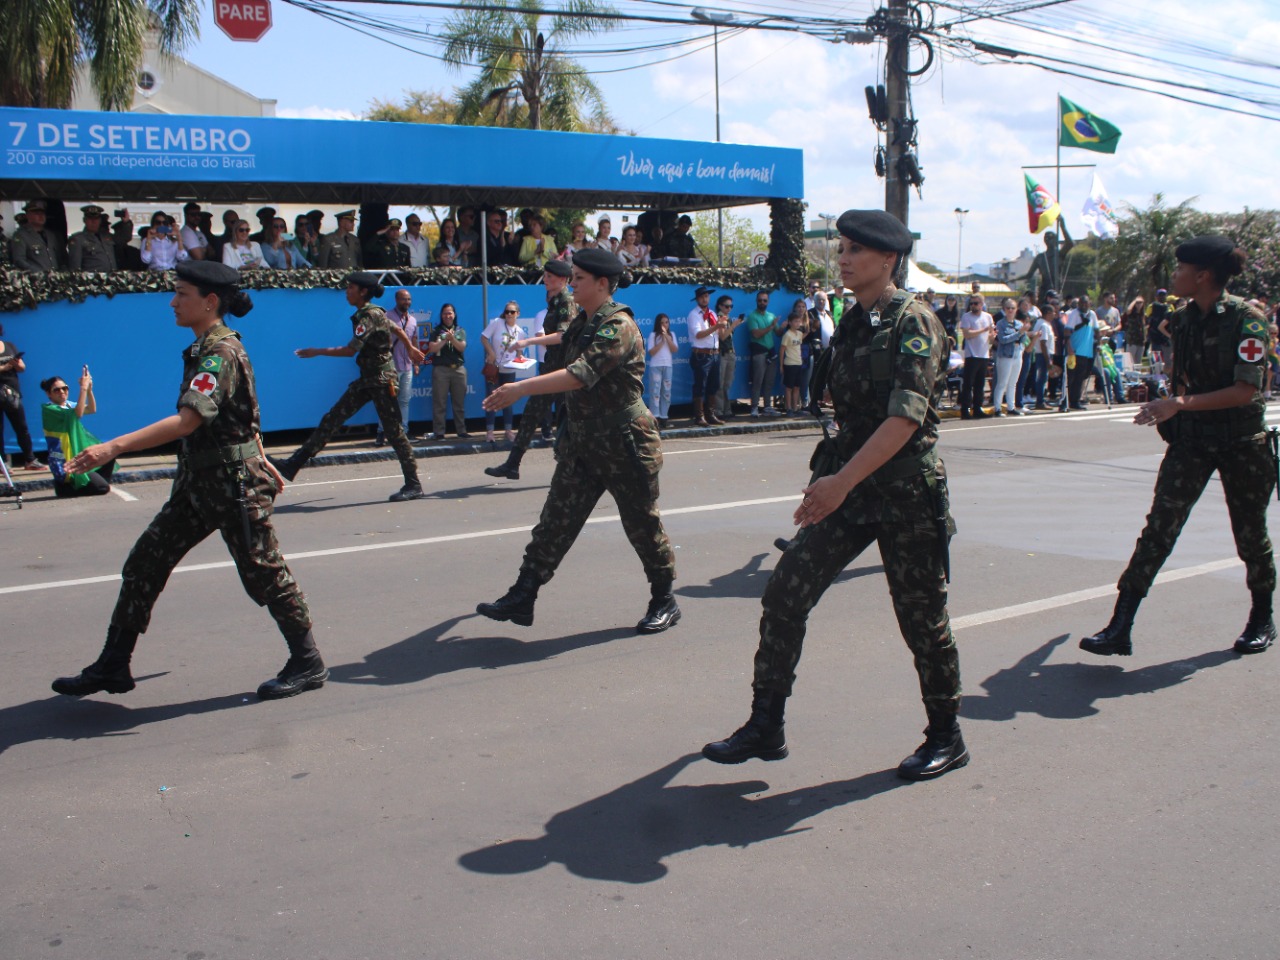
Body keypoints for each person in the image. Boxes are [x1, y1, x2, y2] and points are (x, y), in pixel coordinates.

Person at [702, 209, 967, 781]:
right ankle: (765, 724)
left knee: (922, 620)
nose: (842, 259)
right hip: (852, 487)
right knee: (784, 593)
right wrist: (836, 477)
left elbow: (905, 419)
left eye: (854, 250)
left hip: (905, 494)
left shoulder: (913, 322)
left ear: (888, 260)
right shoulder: (853, 320)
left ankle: (947, 735)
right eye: (841, 248)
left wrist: (838, 484)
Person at [49, 260, 328, 701]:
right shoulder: (205, 348)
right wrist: (259, 451)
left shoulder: (221, 352)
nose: (173, 301)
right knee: (145, 562)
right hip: (201, 483)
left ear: (210, 301)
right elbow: (241, 413)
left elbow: (188, 421)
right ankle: (113, 664)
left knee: (264, 573)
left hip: (232, 485)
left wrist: (112, 447)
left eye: (181, 294)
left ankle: (308, 661)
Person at [1081, 236, 1277, 659]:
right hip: (1193, 440)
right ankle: (1120, 625)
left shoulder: (1249, 319)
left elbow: (1246, 390)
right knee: (1159, 529)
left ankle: (1262, 617)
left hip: (1242, 442)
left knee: (1250, 533)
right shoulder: (1184, 319)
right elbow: (1182, 378)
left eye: (1180, 270)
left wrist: (1179, 404)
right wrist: (1167, 409)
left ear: (1202, 275)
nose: (1173, 277)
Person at [476, 248, 680, 634]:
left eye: (579, 278)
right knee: (555, 521)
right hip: (584, 442)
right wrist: (528, 344)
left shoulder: (617, 326)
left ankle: (664, 598)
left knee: (642, 525)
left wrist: (519, 390)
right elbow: (560, 341)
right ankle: (524, 594)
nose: (572, 283)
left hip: (623, 443)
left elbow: (579, 374)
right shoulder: (584, 321)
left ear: (602, 284)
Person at [272, 273, 427, 502]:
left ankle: (414, 485)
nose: (347, 291)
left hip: (381, 380)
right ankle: (293, 463)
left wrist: (317, 351)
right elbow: (397, 329)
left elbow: (350, 350)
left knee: (394, 432)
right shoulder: (375, 312)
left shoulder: (368, 316)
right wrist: (409, 348)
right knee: (332, 419)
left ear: (363, 291)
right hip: (369, 379)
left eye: (351, 287)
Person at [486, 261, 575, 479]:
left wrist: (528, 343)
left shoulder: (566, 301)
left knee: (568, 419)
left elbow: (563, 335)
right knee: (535, 413)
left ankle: (571, 467)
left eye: (549, 277)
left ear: (562, 280)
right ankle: (514, 464)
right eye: (544, 276)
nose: (545, 280)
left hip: (564, 370)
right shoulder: (554, 302)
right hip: (553, 367)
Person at [41, 369, 114, 497]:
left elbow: (91, 409)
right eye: (56, 390)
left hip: (78, 454)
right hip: (66, 460)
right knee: (102, 488)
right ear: (49, 394)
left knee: (108, 455)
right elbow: (78, 413)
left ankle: (91, 483)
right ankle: (68, 488)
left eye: (65, 388)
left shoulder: (68, 405)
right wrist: (83, 388)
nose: (62, 392)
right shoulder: (50, 409)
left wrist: (89, 389)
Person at [481, 300, 531, 442]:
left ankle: (508, 430)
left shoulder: (519, 332)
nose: (509, 314)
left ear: (518, 314)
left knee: (507, 399)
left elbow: (519, 352)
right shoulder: (497, 323)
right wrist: (491, 353)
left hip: (509, 369)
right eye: (507, 311)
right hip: (494, 368)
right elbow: (484, 337)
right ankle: (490, 432)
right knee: (491, 398)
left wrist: (522, 359)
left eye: (512, 312)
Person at [376, 289, 418, 445]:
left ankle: (404, 432)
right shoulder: (387, 317)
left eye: (408, 299)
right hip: (390, 367)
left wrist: (416, 363)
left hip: (407, 367)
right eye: (403, 299)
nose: (406, 302)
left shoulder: (413, 320)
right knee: (387, 402)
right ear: (396, 300)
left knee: (404, 401)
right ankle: (381, 433)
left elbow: (414, 342)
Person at [0, 323, 45, 471]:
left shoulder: (9, 346)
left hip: (12, 393)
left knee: (22, 427)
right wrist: (5, 367)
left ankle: (30, 460)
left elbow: (22, 368)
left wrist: (17, 364)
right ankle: (2, 463)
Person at [427, 303, 469, 439]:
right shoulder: (436, 331)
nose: (448, 316)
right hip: (441, 370)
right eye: (445, 313)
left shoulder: (459, 330)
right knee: (439, 402)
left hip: (458, 369)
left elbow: (462, 347)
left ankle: (461, 431)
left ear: (454, 315)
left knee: (459, 402)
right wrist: (444, 340)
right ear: (441, 315)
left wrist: (452, 339)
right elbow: (432, 348)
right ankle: (439, 432)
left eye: (450, 313)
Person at [686, 286, 725, 426]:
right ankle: (699, 416)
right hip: (701, 354)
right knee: (700, 385)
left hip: (714, 353)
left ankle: (711, 414)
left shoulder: (713, 314)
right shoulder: (693, 315)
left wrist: (723, 327)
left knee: (713, 385)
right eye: (702, 296)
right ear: (697, 299)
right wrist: (716, 327)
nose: (705, 299)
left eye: (707, 296)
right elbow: (698, 334)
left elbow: (719, 335)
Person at [746, 291, 785, 418]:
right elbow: (756, 334)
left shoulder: (771, 316)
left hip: (771, 353)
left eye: (765, 300)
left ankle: (767, 407)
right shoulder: (752, 316)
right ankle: (754, 407)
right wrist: (771, 326)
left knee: (769, 381)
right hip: (759, 353)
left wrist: (783, 326)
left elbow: (778, 333)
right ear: (756, 301)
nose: (762, 302)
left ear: (768, 302)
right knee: (758, 381)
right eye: (760, 300)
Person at [958, 293, 993, 418]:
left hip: (983, 354)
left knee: (980, 383)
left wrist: (991, 336)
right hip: (972, 354)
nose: (973, 306)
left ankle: (978, 407)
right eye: (971, 303)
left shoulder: (988, 317)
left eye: (976, 303)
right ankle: (965, 409)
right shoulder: (967, 317)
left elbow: (990, 336)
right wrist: (983, 330)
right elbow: (967, 334)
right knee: (968, 383)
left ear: (982, 304)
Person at [1064, 294, 1099, 410]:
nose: (1084, 305)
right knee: (1071, 377)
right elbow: (1067, 331)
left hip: (1086, 351)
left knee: (1081, 377)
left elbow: (1096, 330)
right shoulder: (1074, 314)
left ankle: (1075, 400)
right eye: (1081, 303)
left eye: (1086, 303)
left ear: (1090, 304)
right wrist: (1069, 347)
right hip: (1075, 350)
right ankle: (1067, 400)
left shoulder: (1092, 314)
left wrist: (1098, 342)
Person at [714, 295, 746, 419]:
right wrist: (733, 326)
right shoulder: (719, 318)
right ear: (720, 306)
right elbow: (722, 337)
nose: (729, 309)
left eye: (731, 306)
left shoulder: (728, 319)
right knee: (720, 384)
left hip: (730, 352)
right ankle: (719, 410)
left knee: (727, 383)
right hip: (721, 353)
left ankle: (727, 409)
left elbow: (730, 338)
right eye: (726, 306)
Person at [992, 298, 1026, 416]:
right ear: (1004, 309)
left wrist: (1021, 334)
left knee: (1013, 382)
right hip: (1005, 355)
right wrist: (1018, 333)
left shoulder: (1019, 324)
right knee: (1002, 382)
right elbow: (1003, 339)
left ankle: (1011, 406)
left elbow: (1023, 339)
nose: (1010, 310)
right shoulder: (1001, 324)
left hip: (1017, 354)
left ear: (1016, 310)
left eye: (1013, 308)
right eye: (1008, 308)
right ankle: (997, 408)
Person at [10, 200, 65, 272]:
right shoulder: (21, 235)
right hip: (35, 278)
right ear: (28, 215)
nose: (41, 216)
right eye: (37, 213)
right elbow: (19, 260)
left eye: (43, 213)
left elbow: (63, 258)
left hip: (55, 277)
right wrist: (38, 272)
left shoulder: (52, 235)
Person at [646, 313, 677, 427]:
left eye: (667, 322)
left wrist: (667, 338)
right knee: (655, 392)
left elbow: (674, 349)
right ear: (658, 324)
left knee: (666, 393)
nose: (665, 325)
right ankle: (655, 418)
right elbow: (652, 352)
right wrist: (662, 341)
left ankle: (664, 418)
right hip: (656, 366)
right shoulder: (653, 335)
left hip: (667, 366)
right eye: (662, 322)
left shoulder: (672, 334)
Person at [67, 205, 117, 272]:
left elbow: (123, 239)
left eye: (96, 219)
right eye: (90, 219)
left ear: (100, 221)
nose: (93, 222)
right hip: (90, 280)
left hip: (110, 278)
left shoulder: (106, 237)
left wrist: (126, 222)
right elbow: (75, 266)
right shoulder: (78, 239)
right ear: (84, 220)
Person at [780, 305, 806, 416]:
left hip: (798, 363)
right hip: (789, 364)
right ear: (790, 322)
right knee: (789, 387)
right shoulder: (787, 335)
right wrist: (781, 365)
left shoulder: (799, 334)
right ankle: (789, 408)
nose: (797, 324)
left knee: (797, 387)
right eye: (795, 321)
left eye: (799, 322)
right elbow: (782, 350)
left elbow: (799, 344)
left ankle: (795, 408)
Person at [1030, 304, 1057, 410]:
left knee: (1042, 378)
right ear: (1048, 313)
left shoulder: (1042, 323)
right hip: (1043, 354)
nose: (1054, 314)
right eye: (1053, 312)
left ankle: (1041, 400)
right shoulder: (1044, 325)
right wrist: (1048, 360)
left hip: (1043, 354)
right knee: (1042, 378)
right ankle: (1040, 401)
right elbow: (1043, 343)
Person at [1121, 296, 1148, 369]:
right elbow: (1128, 310)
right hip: (1132, 340)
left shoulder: (1143, 315)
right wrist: (1134, 301)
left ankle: (1137, 377)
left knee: (1138, 362)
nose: (1139, 304)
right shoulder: (1131, 314)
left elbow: (1145, 326)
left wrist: (1145, 337)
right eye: (1137, 303)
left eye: (1140, 303)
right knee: (1130, 361)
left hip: (1141, 341)